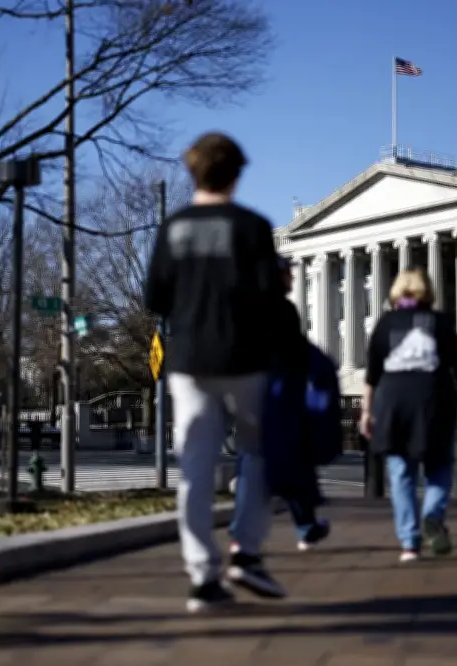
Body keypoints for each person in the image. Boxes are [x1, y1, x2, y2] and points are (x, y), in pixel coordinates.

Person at [144, 132, 287, 613]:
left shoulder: (174, 228)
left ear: (192, 171)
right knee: (259, 453)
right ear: (237, 173)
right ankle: (246, 550)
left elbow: (154, 300)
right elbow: (270, 297)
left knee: (195, 468)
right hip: (244, 356)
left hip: (187, 361)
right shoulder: (251, 227)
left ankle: (202, 576)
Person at [358, 268, 457, 562]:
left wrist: (366, 412)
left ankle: (409, 542)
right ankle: (432, 516)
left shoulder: (385, 324)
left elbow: (372, 374)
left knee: (401, 473)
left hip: (393, 401)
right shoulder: (440, 322)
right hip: (435, 399)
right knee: (439, 466)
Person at [229, 255, 330, 553]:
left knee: (255, 459)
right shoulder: (282, 310)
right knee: (287, 461)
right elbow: (296, 354)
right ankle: (297, 527)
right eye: (288, 273)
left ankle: (304, 525)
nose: (293, 278)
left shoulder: (245, 308)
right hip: (278, 397)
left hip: (248, 393)